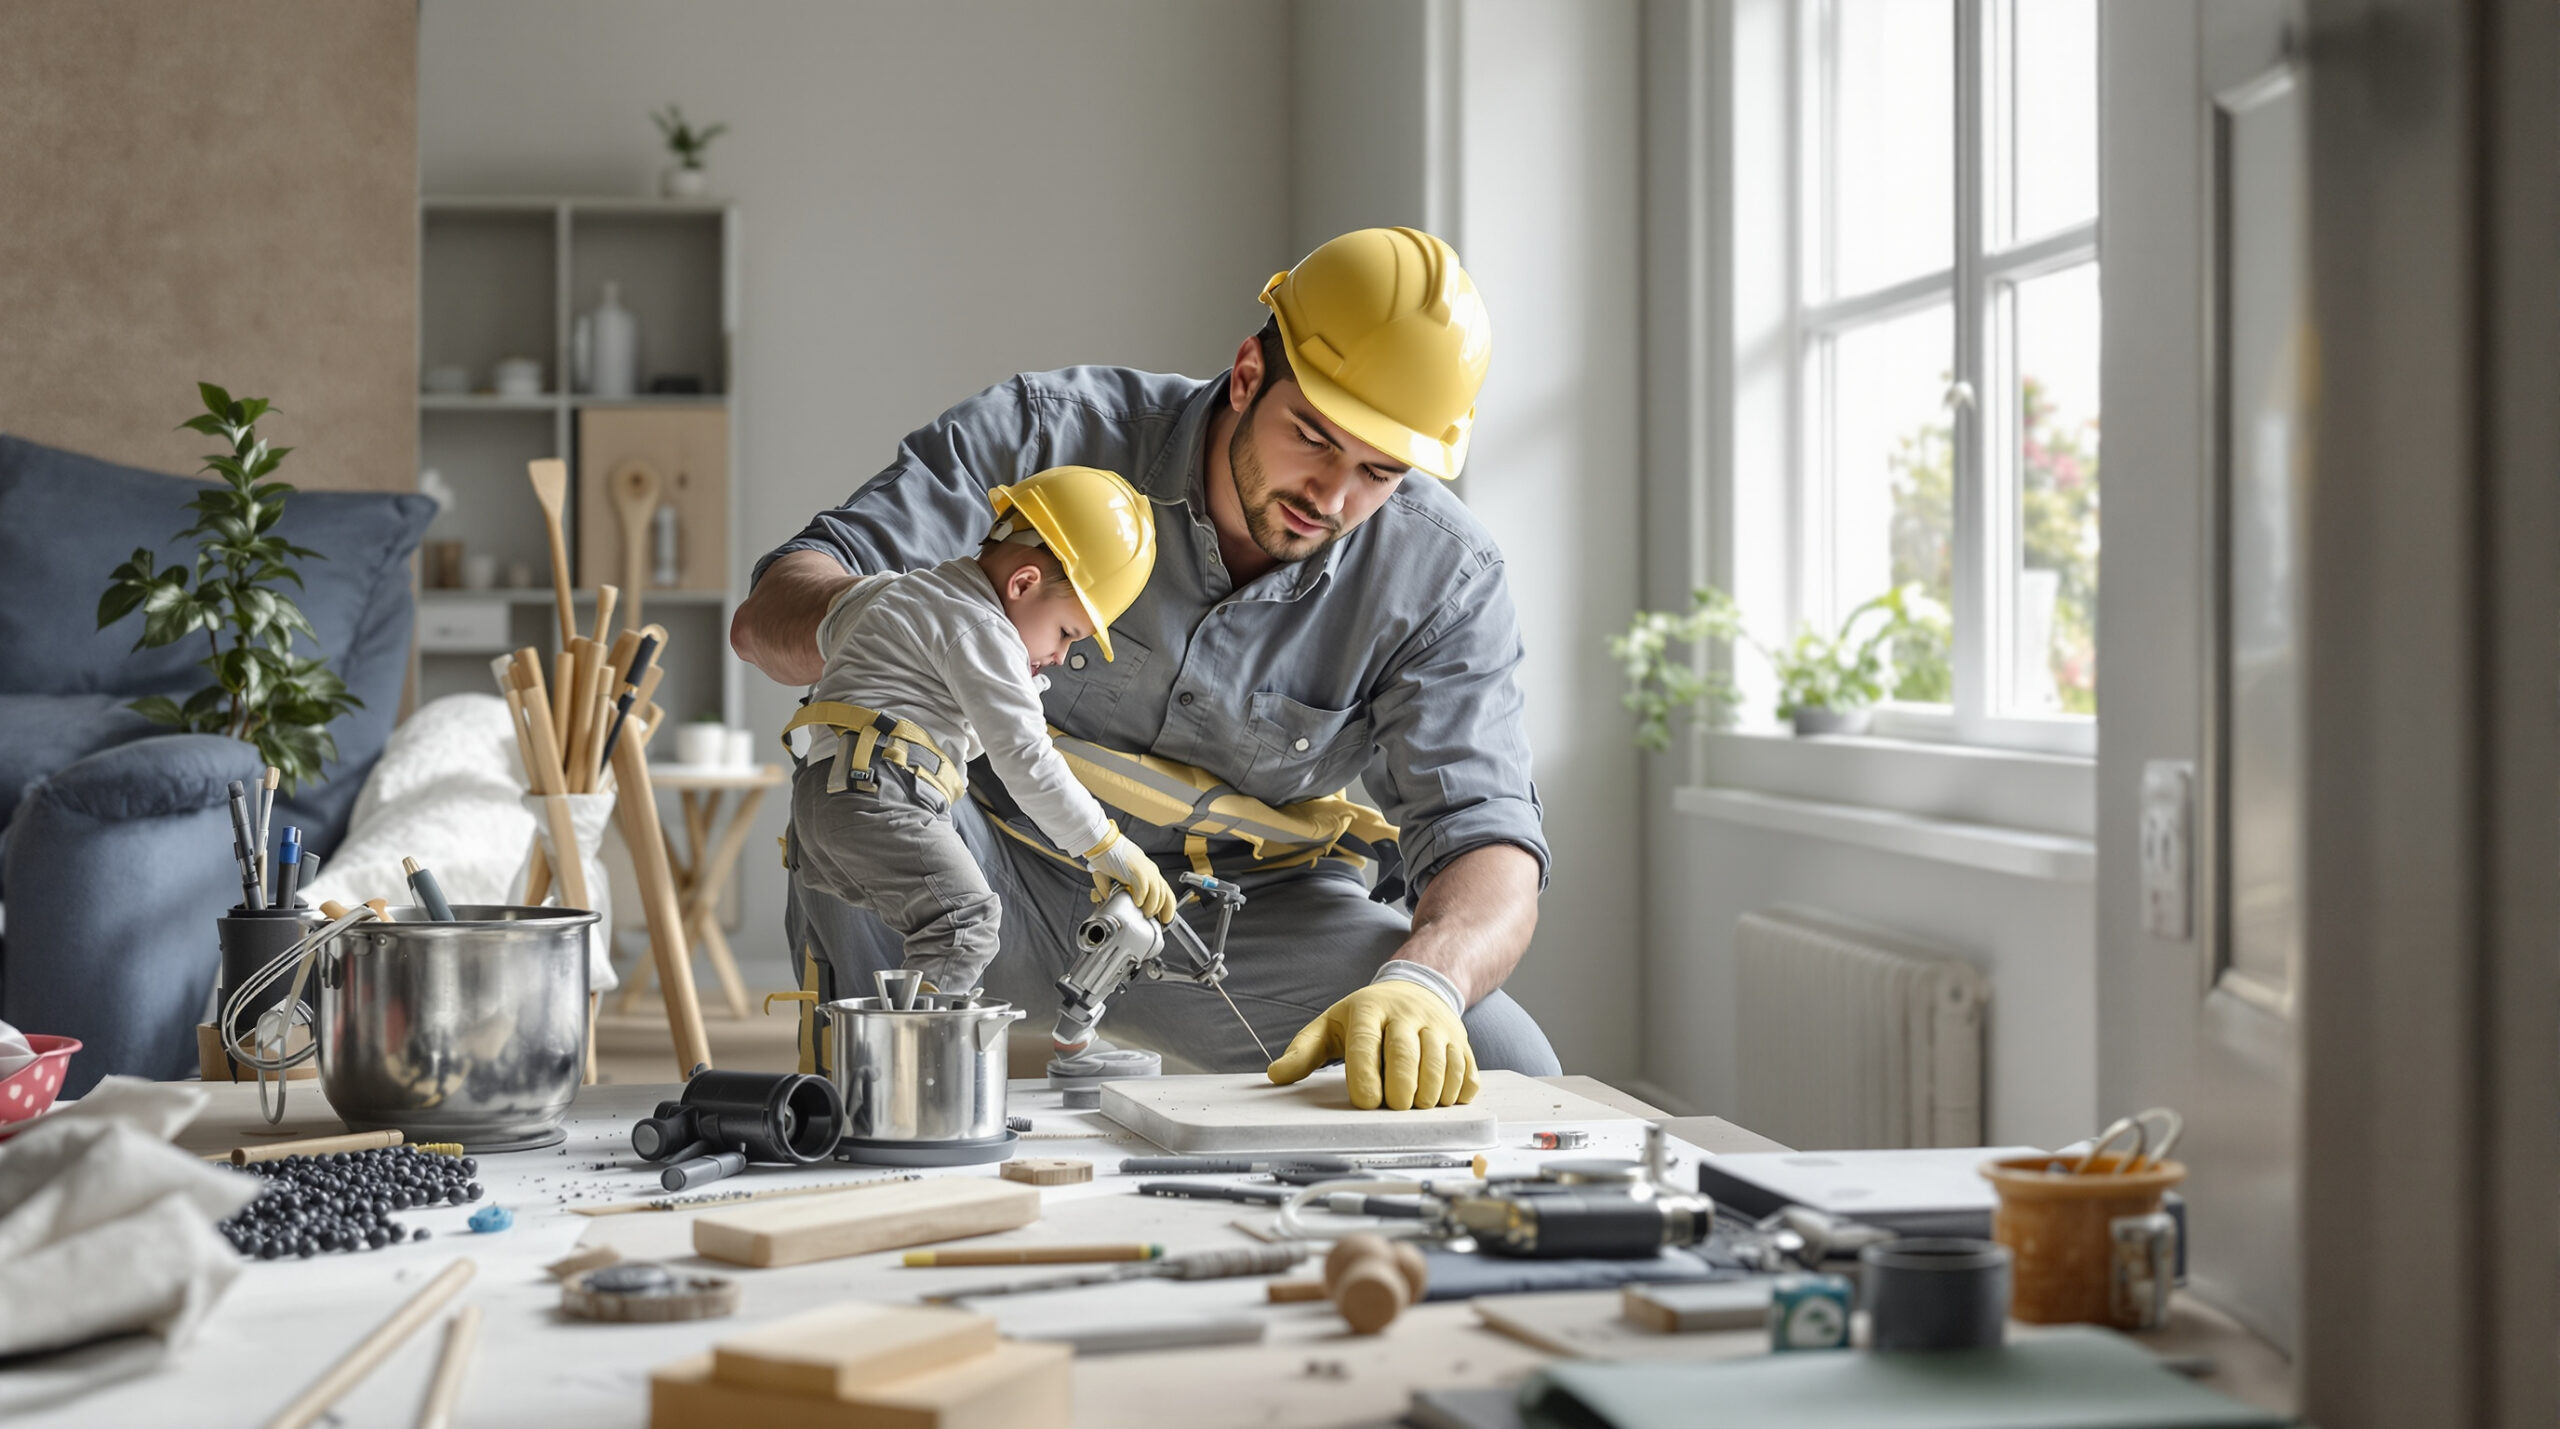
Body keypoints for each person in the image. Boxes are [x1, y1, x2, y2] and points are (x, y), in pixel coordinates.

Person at [736, 227, 1558, 1110]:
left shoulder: (1444, 578)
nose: (1331, 496)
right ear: (1248, 373)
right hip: (980, 852)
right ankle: (864, 1116)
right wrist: (888, 619)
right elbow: (774, 610)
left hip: (1235, 914)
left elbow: (1489, 840)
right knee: (866, 767)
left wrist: (1427, 982)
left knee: (1506, 1064)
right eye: (1313, 437)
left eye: (1379, 472)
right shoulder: (1049, 436)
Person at [784, 466, 1178, 998]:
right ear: (1023, 583)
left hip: (820, 800)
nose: (1061, 656)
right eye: (1067, 632)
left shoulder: (899, 593)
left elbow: (832, 633)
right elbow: (1025, 758)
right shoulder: (981, 627)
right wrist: (1103, 844)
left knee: (906, 938)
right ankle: (922, 1066)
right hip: (883, 791)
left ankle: (873, 1043)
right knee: (965, 922)